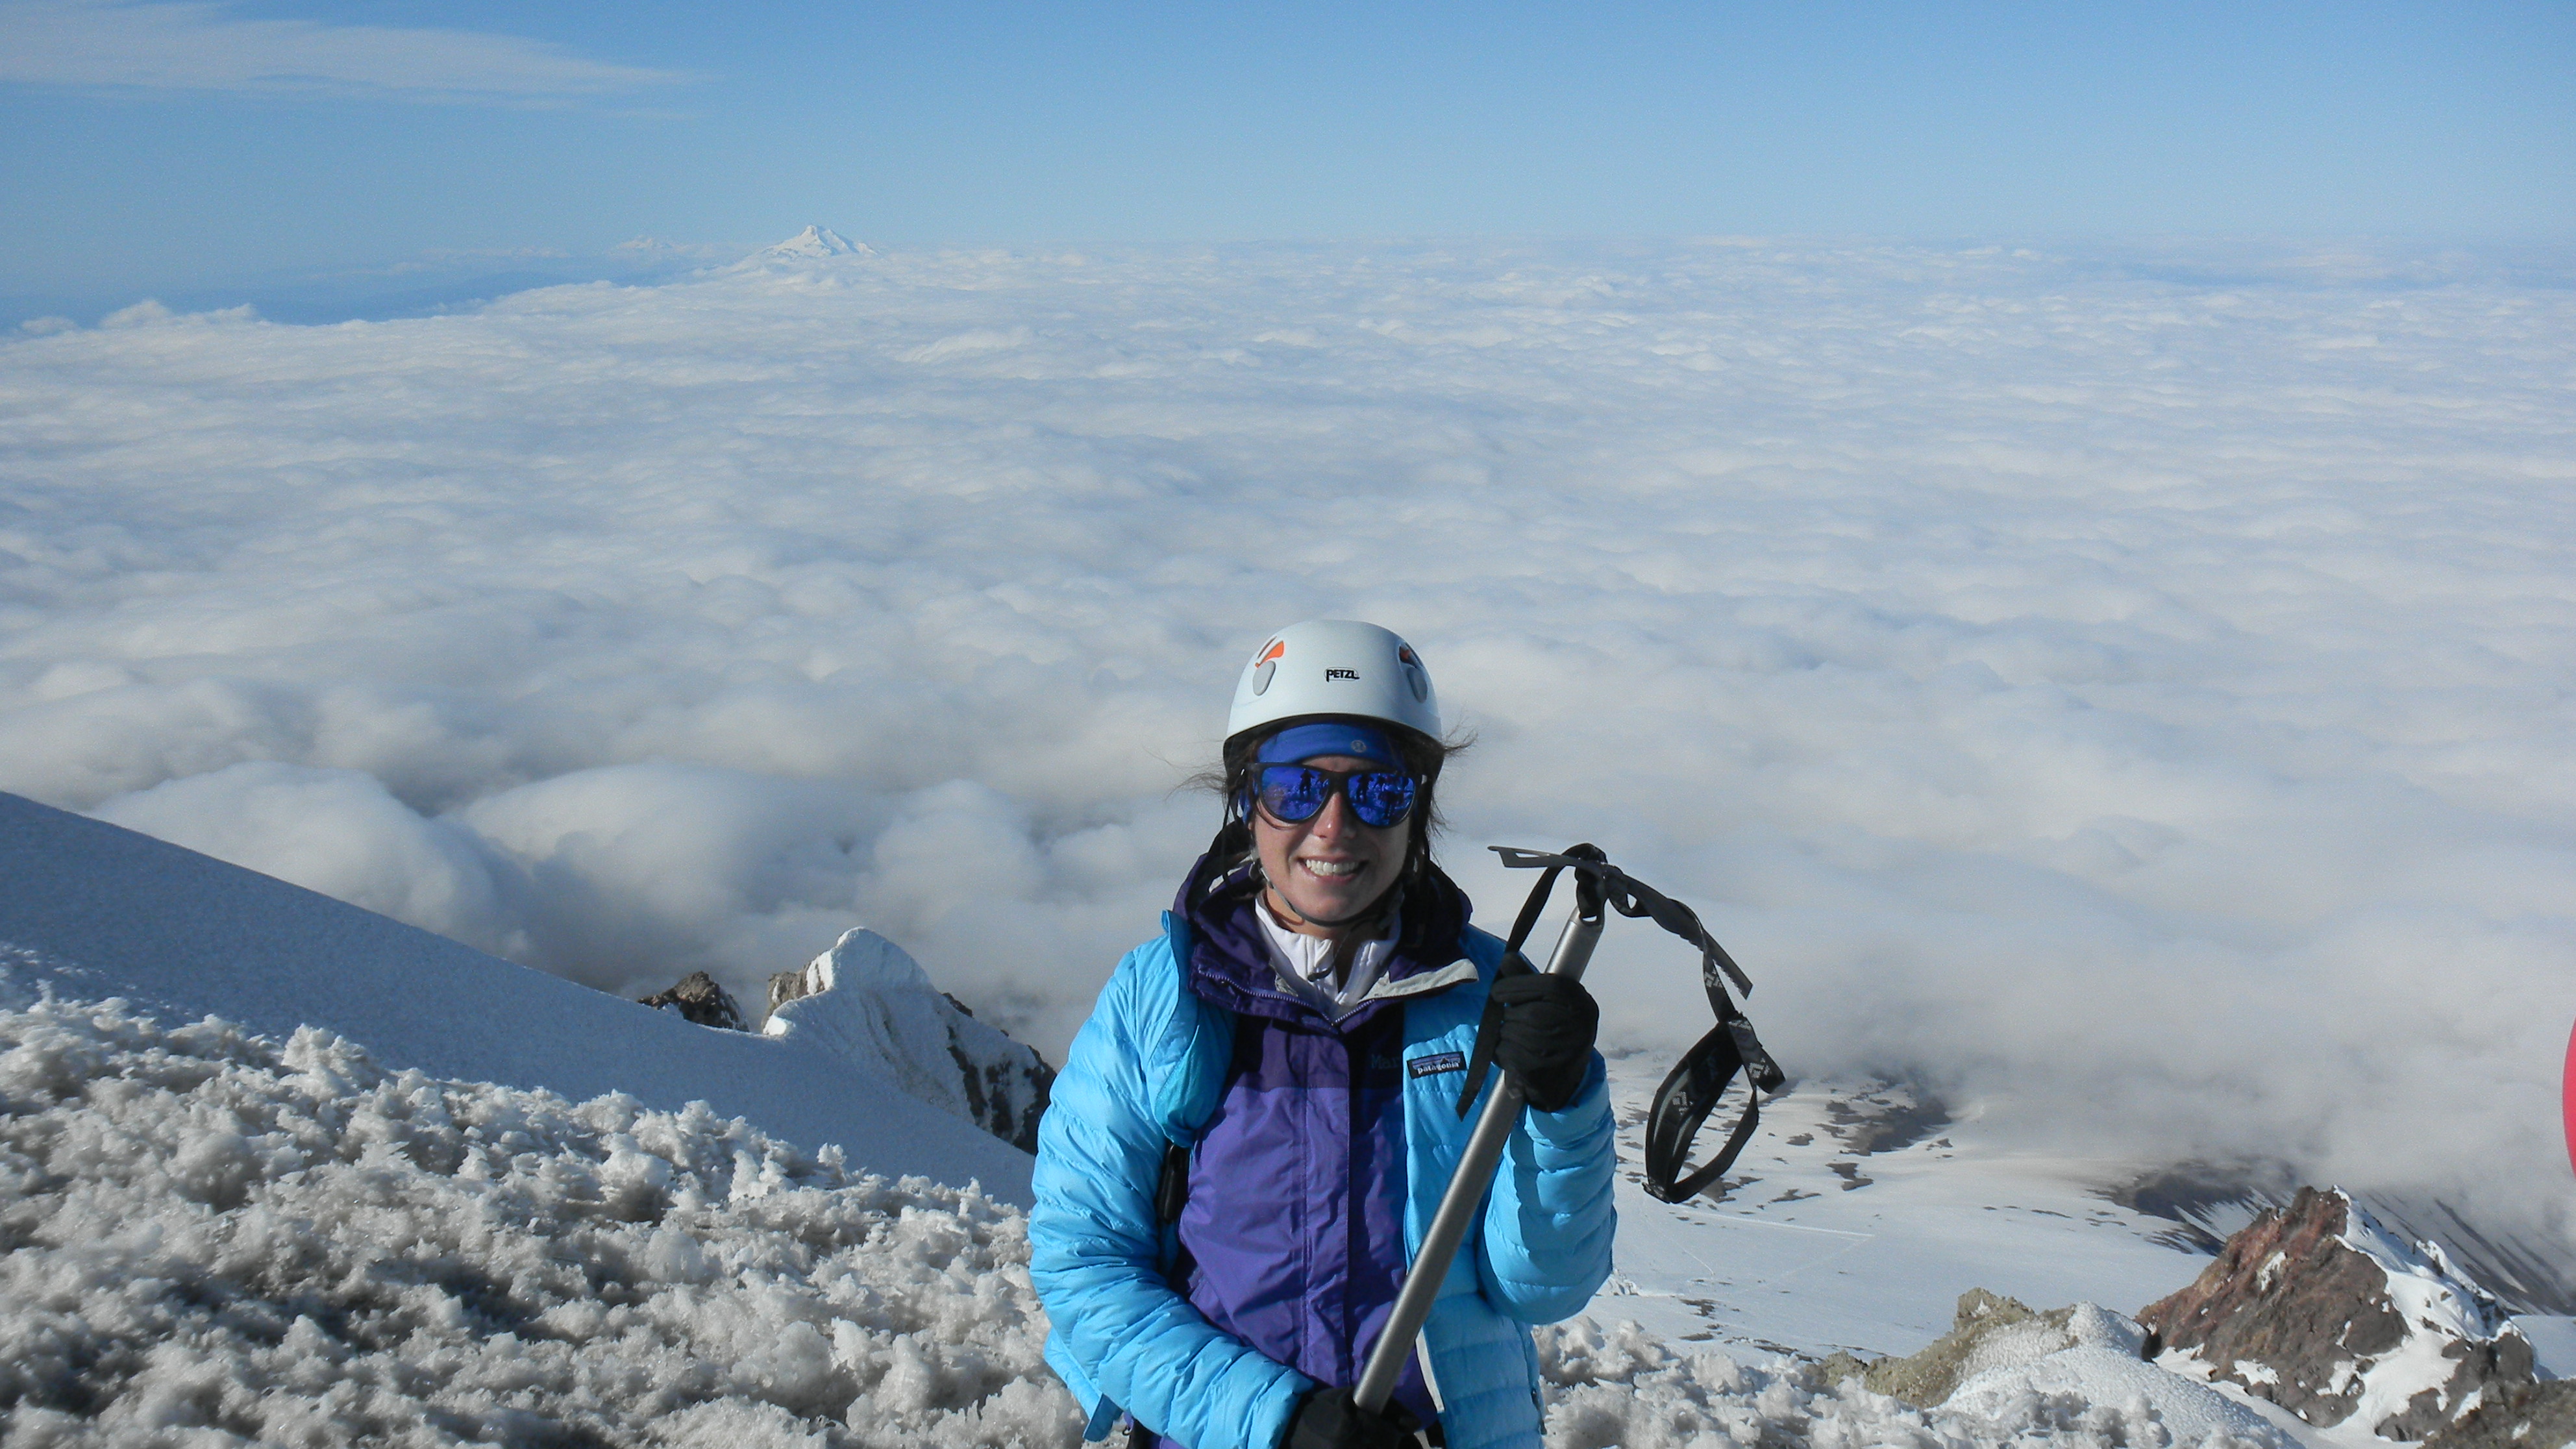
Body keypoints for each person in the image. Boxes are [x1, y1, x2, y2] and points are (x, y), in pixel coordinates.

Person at [1031, 620, 1616, 1449]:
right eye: (1295, 788)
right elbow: (1083, 1263)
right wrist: (1274, 1420)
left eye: (1377, 789)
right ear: (1245, 800)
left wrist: (1566, 1111)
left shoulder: (1490, 1000)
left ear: (1418, 808)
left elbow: (1544, 1287)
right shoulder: (1161, 998)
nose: (1334, 826)